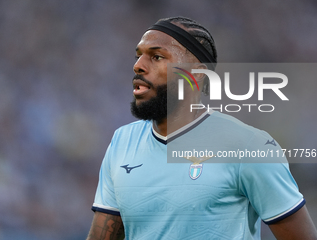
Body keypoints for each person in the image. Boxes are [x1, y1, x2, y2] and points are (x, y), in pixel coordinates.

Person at [86, 17, 317, 240]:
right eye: (138, 56)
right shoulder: (122, 141)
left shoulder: (248, 146)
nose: (138, 66)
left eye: (156, 57)